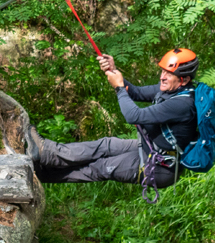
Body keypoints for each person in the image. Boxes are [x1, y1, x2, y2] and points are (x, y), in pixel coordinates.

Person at [26, 48, 200, 190]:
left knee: (102, 167)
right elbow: (136, 92)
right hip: (151, 148)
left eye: (169, 74)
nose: (162, 77)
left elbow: (133, 116)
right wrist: (114, 71)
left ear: (184, 80)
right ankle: (46, 151)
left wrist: (118, 88)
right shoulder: (171, 89)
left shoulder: (183, 104)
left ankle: (40, 174)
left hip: (160, 167)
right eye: (162, 71)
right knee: (106, 145)